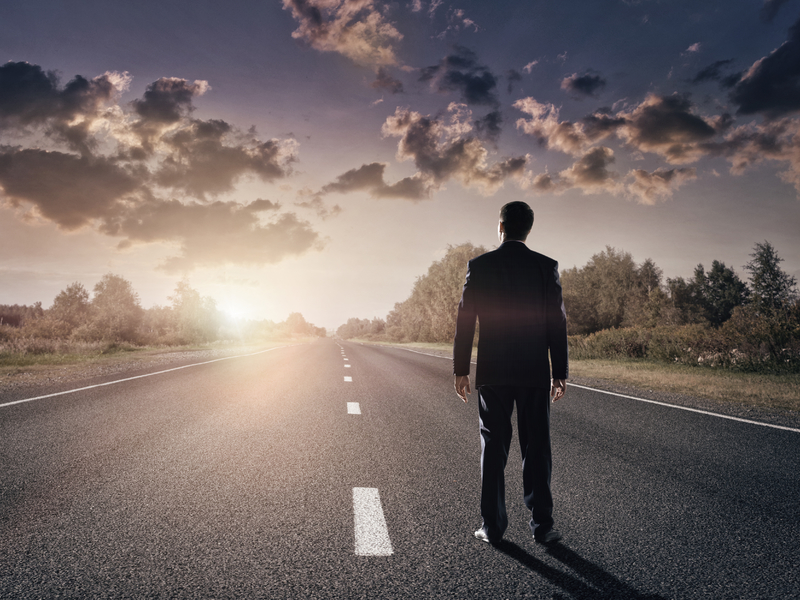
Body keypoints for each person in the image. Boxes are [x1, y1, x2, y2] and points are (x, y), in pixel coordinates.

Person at [453, 201, 568, 545]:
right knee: (537, 449)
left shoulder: (481, 265)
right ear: (528, 229)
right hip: (534, 370)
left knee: (494, 447)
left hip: (494, 371)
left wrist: (460, 369)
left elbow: (464, 319)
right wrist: (558, 371)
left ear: (500, 226)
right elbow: (557, 321)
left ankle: (492, 527)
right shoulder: (546, 267)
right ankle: (543, 527)